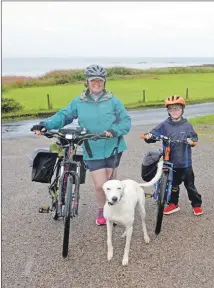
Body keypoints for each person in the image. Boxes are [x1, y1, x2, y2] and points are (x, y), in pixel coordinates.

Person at [31, 64, 131, 226]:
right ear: (87, 82)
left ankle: (113, 209)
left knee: (111, 181)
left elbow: (126, 122)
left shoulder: (113, 101)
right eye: (93, 80)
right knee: (100, 185)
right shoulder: (80, 102)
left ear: (104, 82)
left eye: (100, 80)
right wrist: (45, 125)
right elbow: (64, 115)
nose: (97, 83)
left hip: (113, 146)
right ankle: (102, 209)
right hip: (92, 148)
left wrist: (114, 130)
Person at [142, 95, 203, 216]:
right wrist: (148, 136)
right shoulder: (164, 125)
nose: (174, 111)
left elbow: (194, 137)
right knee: (172, 185)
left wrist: (192, 141)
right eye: (171, 109)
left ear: (182, 109)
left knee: (190, 186)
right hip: (169, 162)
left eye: (177, 108)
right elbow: (152, 134)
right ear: (168, 111)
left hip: (185, 163)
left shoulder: (187, 125)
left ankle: (196, 205)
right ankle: (173, 204)